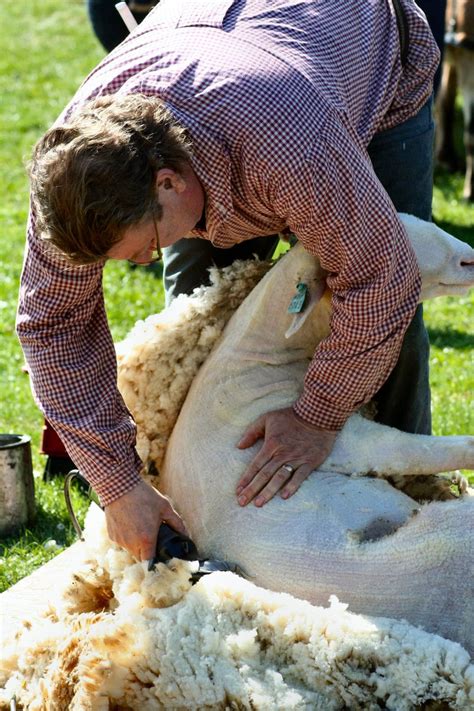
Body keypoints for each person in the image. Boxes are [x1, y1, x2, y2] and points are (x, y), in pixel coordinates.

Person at [18, 0, 439, 562]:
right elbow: (52, 326)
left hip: (365, 68)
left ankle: (414, 502)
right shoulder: (75, 172)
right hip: (228, 87)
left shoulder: (292, 147)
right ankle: (215, 512)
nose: (141, 262)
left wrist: (317, 416)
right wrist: (117, 485)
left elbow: (379, 279)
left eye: (144, 244)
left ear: (168, 183)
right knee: (196, 320)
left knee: (385, 306)